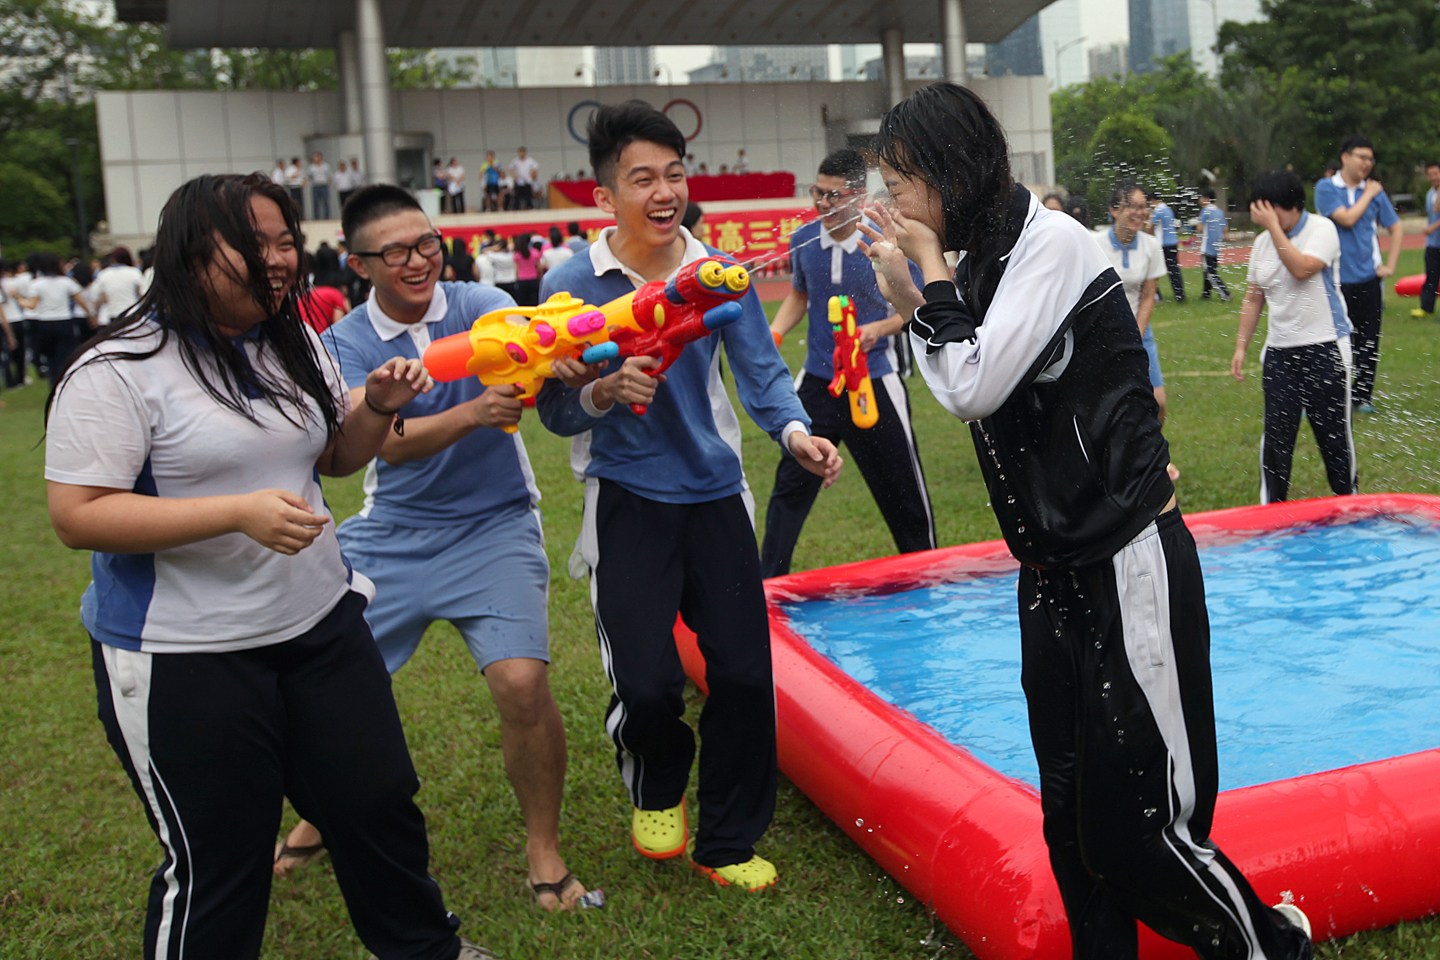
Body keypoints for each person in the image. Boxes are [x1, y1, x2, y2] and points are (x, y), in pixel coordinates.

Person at [858, 81, 1315, 960]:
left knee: (1139, 832)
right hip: (1051, 571)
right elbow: (969, 372)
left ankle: (1271, 947)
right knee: (1069, 819)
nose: (893, 202)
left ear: (951, 174)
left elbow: (971, 384)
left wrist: (927, 280)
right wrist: (917, 298)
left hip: (1124, 558)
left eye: (902, 182)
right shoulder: (978, 259)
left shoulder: (1052, 244)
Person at [43, 172, 496, 960]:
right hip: (186, 654)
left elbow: (335, 457)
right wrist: (235, 512)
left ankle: (427, 950)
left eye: (287, 241)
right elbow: (78, 514)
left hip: (319, 625)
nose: (280, 259)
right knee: (222, 858)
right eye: (255, 244)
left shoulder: (290, 340)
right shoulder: (118, 367)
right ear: (191, 252)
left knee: (377, 804)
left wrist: (376, 406)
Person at [535, 100, 841, 893]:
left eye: (674, 174)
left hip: (714, 494)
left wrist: (796, 433)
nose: (664, 191)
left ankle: (728, 840)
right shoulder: (572, 284)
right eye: (643, 179)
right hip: (626, 498)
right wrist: (604, 391)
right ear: (606, 196)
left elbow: (761, 372)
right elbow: (554, 409)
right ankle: (658, 782)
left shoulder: (714, 272)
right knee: (646, 684)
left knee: (743, 674)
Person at [272, 183, 592, 912]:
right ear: (359, 263)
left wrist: (565, 359)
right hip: (392, 533)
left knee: (522, 684)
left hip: (496, 525)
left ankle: (544, 849)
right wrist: (475, 412)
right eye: (395, 252)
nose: (417, 261)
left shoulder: (480, 304)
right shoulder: (345, 342)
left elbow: (536, 347)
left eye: (426, 244)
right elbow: (382, 442)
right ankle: (322, 810)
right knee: (330, 685)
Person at [761, 148, 935, 578]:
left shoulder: (881, 240)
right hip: (819, 382)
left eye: (833, 196)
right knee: (790, 486)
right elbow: (799, 295)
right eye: (817, 193)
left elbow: (916, 306)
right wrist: (772, 336)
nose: (822, 203)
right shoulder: (804, 240)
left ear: (857, 196)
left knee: (902, 492)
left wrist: (878, 330)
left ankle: (926, 575)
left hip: (873, 381)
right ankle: (768, 583)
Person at [1232, 169, 1357, 504]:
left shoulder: (1322, 228)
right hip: (1280, 352)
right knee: (1276, 438)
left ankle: (1349, 501)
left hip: (1326, 347)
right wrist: (1241, 347)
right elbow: (1253, 298)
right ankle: (1271, 509)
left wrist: (1273, 228)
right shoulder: (1262, 243)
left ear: (1287, 204)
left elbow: (1301, 268)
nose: (1262, 218)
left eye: (1267, 210)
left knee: (1333, 437)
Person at [1314, 136, 1402, 414]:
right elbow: (1347, 219)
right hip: (1334, 279)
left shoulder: (1374, 192)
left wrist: (1389, 266)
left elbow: (1395, 227)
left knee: (1368, 340)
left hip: (1368, 279)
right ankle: (1322, 395)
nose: (1367, 163)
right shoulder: (1327, 187)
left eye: (1370, 159)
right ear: (1345, 157)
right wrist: (1370, 193)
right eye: (1361, 157)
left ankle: (1362, 396)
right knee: (1330, 340)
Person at [1095, 182, 1170, 424]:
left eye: (1143, 207)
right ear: (1114, 210)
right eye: (1132, 206)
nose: (1140, 212)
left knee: (1158, 402)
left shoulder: (1151, 246)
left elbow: (1148, 296)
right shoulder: (1094, 243)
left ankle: (1150, 446)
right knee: (1105, 403)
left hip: (1139, 332)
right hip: (1101, 335)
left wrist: (1134, 335)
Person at [19, 253, 93, 388]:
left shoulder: (37, 284)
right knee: (65, 355)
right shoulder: (66, 282)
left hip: (45, 322)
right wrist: (90, 314)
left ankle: (53, 383)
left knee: (50, 356)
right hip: (64, 320)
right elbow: (80, 301)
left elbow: (32, 305)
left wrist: (19, 299)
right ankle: (65, 381)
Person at [1411, 161, 1440, 318]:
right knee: (1431, 275)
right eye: (1430, 174)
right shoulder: (1430, 193)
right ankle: (1426, 308)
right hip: (1433, 243)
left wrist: (1432, 227)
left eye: (1436, 173)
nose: (1433, 177)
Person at [93, 246, 147, 328]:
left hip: (113, 313)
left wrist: (95, 314)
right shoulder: (134, 272)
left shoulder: (104, 274)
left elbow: (99, 297)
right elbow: (142, 294)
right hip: (132, 312)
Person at [1148, 189, 1185, 302]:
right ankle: (1180, 295)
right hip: (1173, 242)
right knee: (1174, 270)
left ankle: (1157, 296)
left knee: (1152, 269)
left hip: (1162, 244)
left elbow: (1150, 227)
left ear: (1153, 200)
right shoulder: (1168, 209)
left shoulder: (1158, 211)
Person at [1197, 188, 1231, 302]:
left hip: (1207, 246)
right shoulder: (1219, 212)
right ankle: (1206, 294)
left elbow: (1200, 228)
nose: (1199, 199)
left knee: (1210, 273)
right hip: (1216, 246)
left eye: (1201, 197)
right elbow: (1225, 229)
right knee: (1208, 270)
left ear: (1206, 199)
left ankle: (1225, 294)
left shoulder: (1205, 211)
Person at [308, 151, 333, 220]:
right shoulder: (311, 167)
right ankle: (316, 218)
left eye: (316, 157)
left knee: (326, 202)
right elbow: (310, 176)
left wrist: (328, 183)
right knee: (316, 203)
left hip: (324, 185)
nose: (315, 158)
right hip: (316, 186)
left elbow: (329, 176)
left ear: (320, 157)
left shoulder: (326, 166)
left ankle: (327, 217)